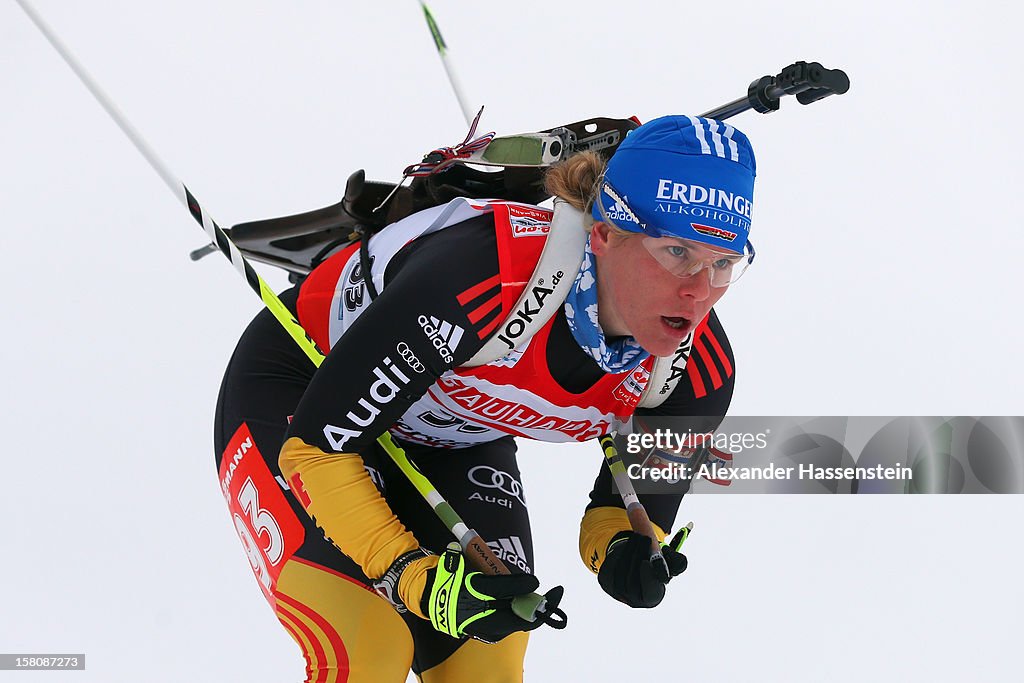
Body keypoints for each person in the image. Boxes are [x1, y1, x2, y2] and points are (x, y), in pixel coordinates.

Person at [214, 114, 756, 682]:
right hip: (302, 392)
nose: (700, 290)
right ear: (604, 233)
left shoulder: (694, 372)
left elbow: (625, 512)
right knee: (367, 649)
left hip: (454, 434)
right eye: (675, 253)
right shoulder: (483, 281)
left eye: (723, 263)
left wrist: (624, 551)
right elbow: (318, 450)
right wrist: (414, 577)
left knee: (488, 666)